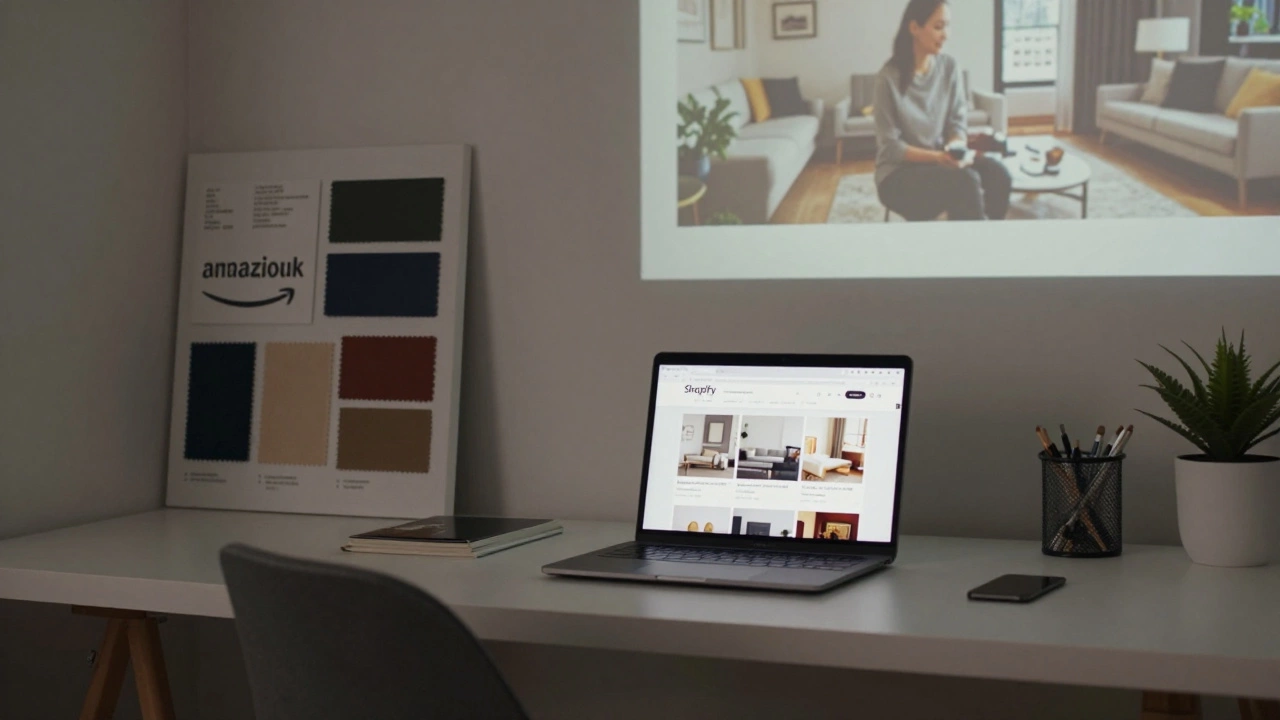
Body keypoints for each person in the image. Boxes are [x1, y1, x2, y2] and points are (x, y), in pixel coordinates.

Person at [873, 0, 1011, 222]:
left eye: (947, 26)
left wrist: (955, 148)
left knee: (999, 175)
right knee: (964, 181)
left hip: (940, 161)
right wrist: (939, 158)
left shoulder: (949, 67)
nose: (946, 35)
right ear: (914, 28)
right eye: (939, 27)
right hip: (897, 175)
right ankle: (975, 249)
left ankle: (982, 239)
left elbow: (956, 122)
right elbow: (891, 147)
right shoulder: (888, 79)